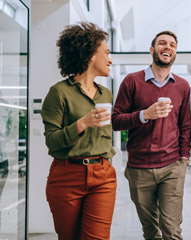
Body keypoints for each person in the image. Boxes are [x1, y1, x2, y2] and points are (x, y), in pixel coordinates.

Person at [112, 30, 191, 240]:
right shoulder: (132, 81)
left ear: (175, 53)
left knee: (171, 229)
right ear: (152, 50)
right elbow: (115, 120)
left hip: (172, 166)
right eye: (162, 43)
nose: (167, 47)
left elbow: (185, 125)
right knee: (150, 231)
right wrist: (144, 115)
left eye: (172, 45)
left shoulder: (182, 86)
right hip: (139, 168)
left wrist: (184, 157)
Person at [41, 22, 116, 240]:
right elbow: (52, 141)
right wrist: (81, 124)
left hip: (103, 175)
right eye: (106, 53)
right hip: (66, 177)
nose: (110, 59)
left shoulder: (106, 94)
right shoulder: (59, 93)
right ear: (91, 55)